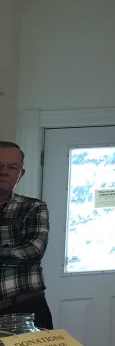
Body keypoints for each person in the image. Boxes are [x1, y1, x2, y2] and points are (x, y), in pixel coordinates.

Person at [0, 141, 53, 329]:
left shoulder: (34, 207)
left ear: (20, 174)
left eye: (12, 167)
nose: (4, 171)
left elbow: (34, 250)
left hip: (25, 309)